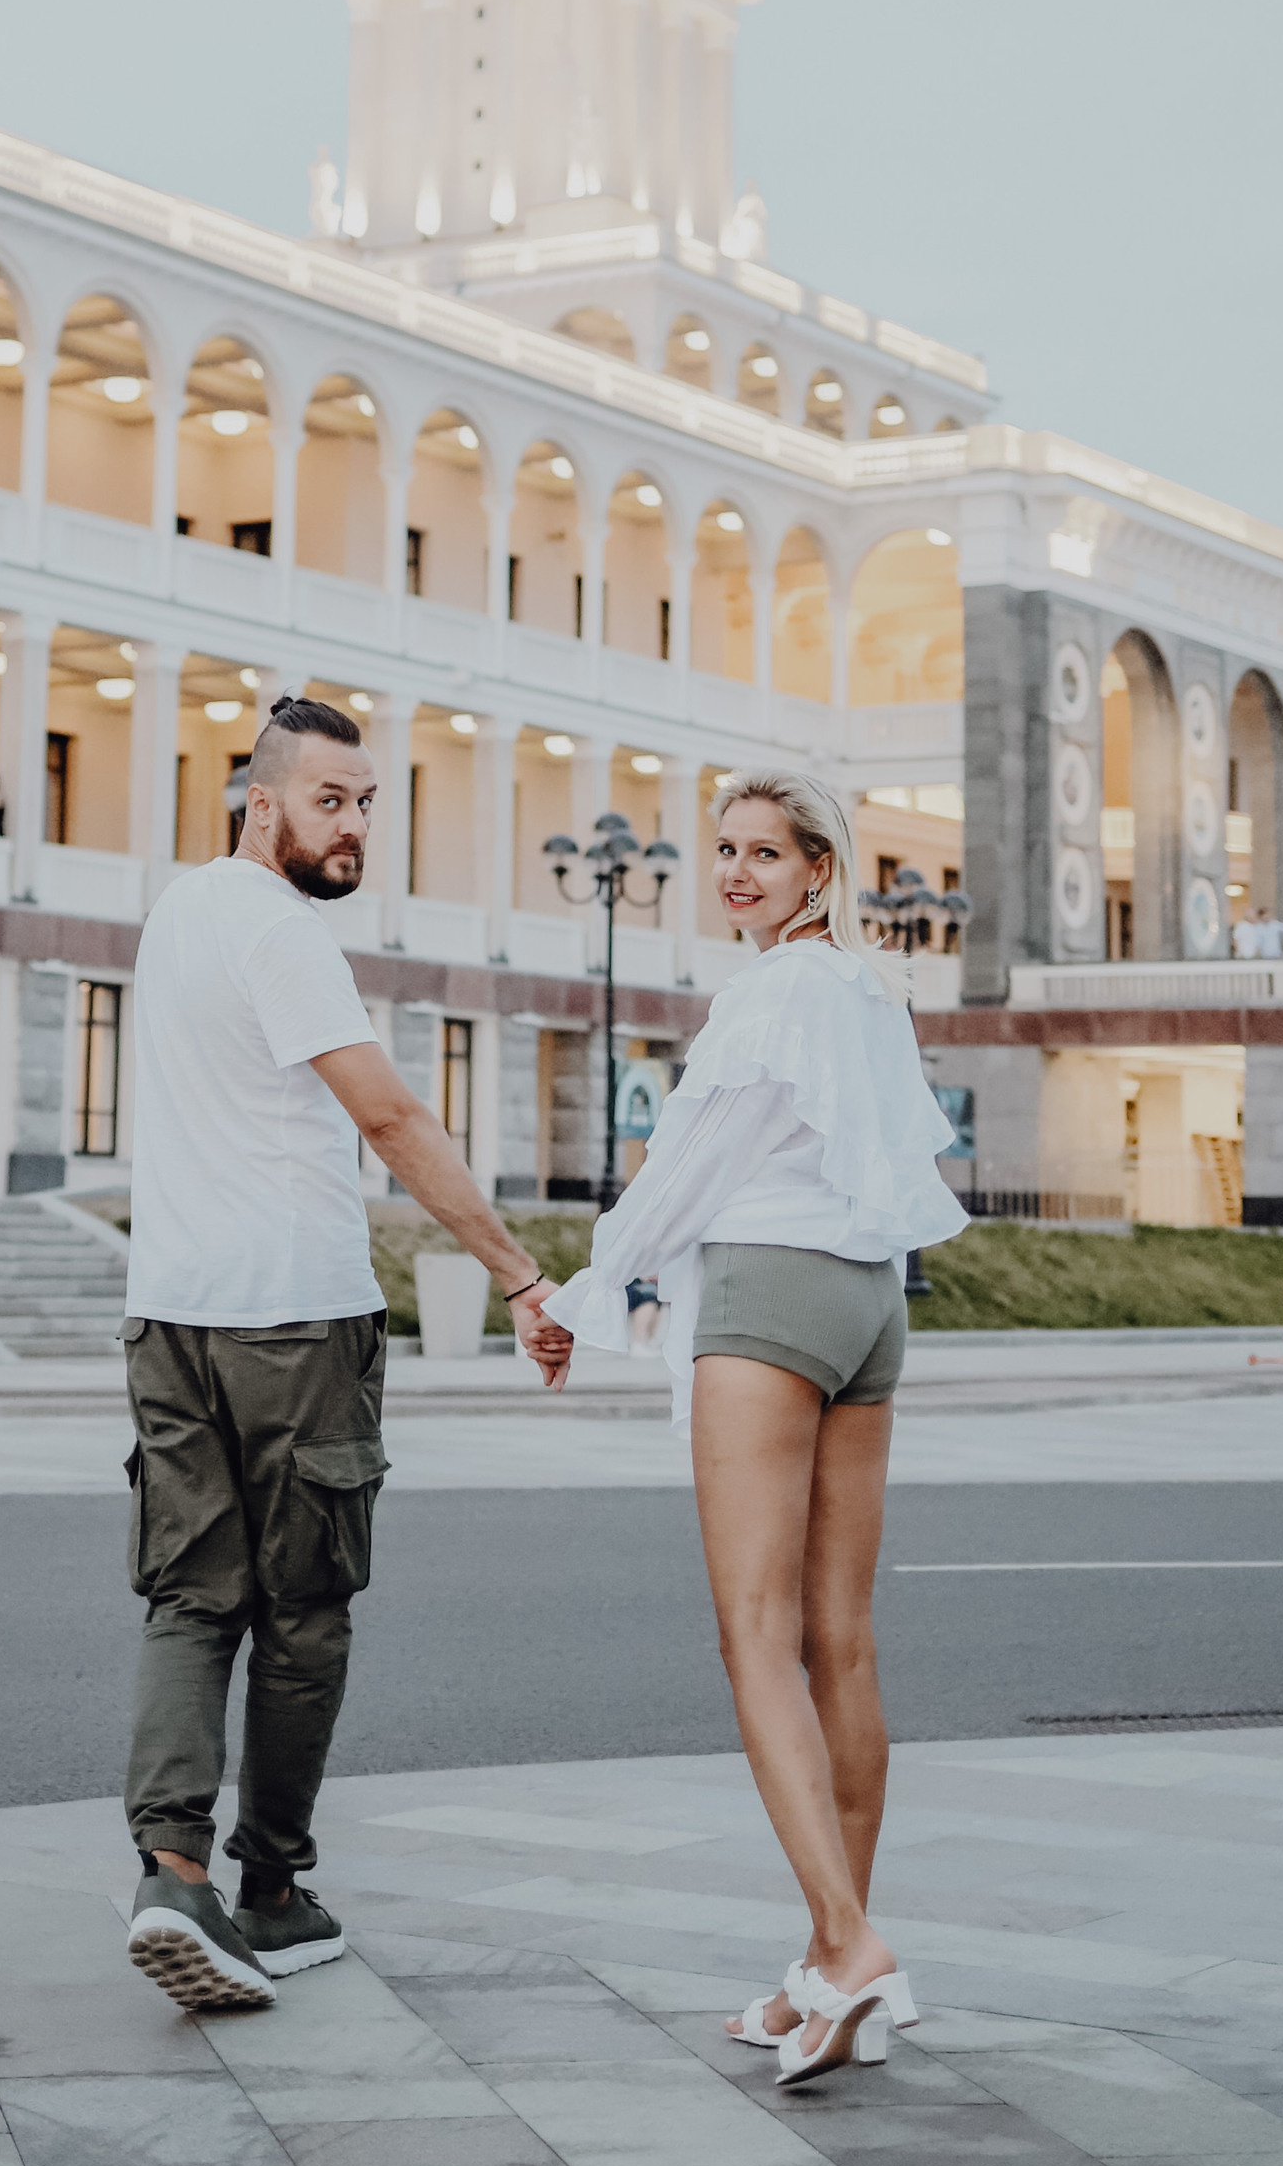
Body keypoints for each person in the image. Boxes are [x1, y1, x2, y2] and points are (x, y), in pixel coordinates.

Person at [121, 692, 570, 2016]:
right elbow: (390, 1115)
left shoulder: (178, 910)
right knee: (304, 1610)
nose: (355, 822)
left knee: (192, 1597)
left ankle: (169, 1878)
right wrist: (517, 1272)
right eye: (331, 799)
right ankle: (266, 1888)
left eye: (369, 801)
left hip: (172, 1313)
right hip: (296, 1321)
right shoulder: (280, 932)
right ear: (262, 801)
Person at [543, 767, 964, 2086]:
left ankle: (849, 1946)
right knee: (844, 1643)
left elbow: (686, 1172)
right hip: (870, 1307)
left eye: (764, 854)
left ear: (819, 871)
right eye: (723, 852)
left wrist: (576, 1292)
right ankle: (823, 1963)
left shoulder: (771, 993)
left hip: (775, 1292)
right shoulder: (869, 995)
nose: (735, 873)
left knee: (757, 1641)